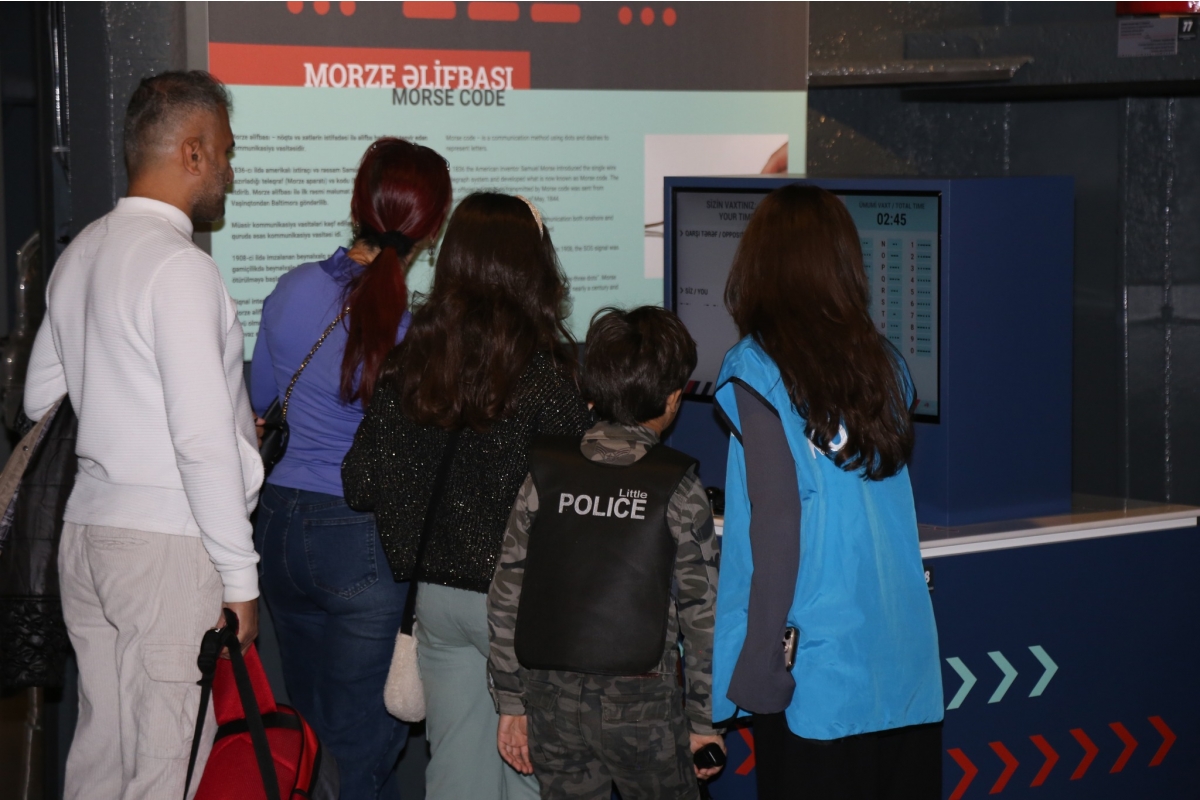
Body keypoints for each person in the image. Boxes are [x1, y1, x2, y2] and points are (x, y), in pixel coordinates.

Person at [23, 71, 259, 799]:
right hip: (166, 546)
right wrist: (240, 579)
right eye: (224, 151)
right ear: (192, 152)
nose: (229, 170)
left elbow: (38, 397)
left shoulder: (83, 250)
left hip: (88, 536)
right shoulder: (181, 268)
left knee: (103, 756)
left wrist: (120, 396)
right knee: (164, 767)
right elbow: (199, 441)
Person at [343, 192, 591, 799]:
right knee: (530, 777)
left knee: (456, 776)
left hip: (438, 602)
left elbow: (361, 482)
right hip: (521, 608)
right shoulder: (546, 377)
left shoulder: (411, 361)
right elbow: (578, 505)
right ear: (531, 267)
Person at [711, 185, 944, 800]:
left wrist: (758, 668)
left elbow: (777, 528)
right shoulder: (884, 366)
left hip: (816, 671)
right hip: (901, 665)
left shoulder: (757, 369)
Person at [249, 137, 451, 798]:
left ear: (357, 205)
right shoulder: (415, 333)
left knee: (312, 743)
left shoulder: (292, 289)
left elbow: (260, 400)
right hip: (362, 539)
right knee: (361, 747)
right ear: (432, 230)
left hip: (278, 529)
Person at [487, 306, 724, 800]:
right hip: (644, 707)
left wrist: (511, 700)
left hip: (549, 699)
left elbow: (507, 591)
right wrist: (703, 721)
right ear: (673, 397)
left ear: (590, 390)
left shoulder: (545, 474)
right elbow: (703, 618)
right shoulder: (679, 487)